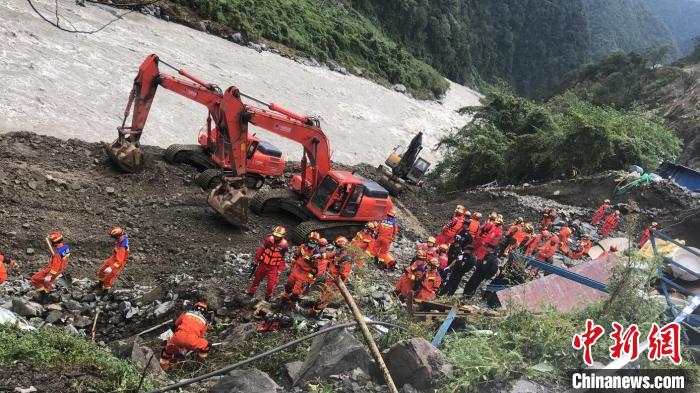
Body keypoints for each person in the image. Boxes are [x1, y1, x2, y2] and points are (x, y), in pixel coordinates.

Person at [160, 301, 212, 370]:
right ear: (205, 312)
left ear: (194, 308)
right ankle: (200, 364)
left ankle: (163, 368)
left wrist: (171, 339)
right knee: (207, 346)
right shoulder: (205, 322)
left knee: (168, 351)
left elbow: (174, 326)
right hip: (192, 341)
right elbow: (201, 337)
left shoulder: (185, 313)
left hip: (178, 338)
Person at [279, 232, 325, 308]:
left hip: (304, 274)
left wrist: (308, 280)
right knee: (288, 287)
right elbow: (295, 256)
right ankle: (282, 301)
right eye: (311, 240)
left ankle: (291, 307)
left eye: (315, 241)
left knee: (296, 293)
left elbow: (314, 271)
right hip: (296, 269)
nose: (312, 242)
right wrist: (291, 267)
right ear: (308, 239)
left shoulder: (316, 254)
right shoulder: (303, 247)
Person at [311, 237, 354, 315]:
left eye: (337, 248)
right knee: (323, 294)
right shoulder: (338, 254)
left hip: (335, 283)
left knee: (324, 299)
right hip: (330, 279)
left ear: (343, 248)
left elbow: (344, 275)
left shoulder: (346, 259)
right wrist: (319, 255)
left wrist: (337, 280)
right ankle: (316, 310)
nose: (336, 249)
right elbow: (328, 255)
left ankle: (314, 314)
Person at [247, 226, 290, 301]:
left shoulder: (284, 245)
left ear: (282, 236)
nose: (276, 237)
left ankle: (267, 297)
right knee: (256, 279)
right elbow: (261, 250)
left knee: (271, 285)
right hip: (263, 264)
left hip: (273, 267)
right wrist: (256, 261)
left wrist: (279, 270)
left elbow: (282, 259)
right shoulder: (268, 240)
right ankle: (250, 293)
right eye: (275, 235)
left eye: (278, 236)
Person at [31, 231, 70, 302]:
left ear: (54, 242)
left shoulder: (57, 254)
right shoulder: (66, 248)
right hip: (60, 270)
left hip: (52, 271)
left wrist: (49, 275)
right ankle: (43, 298)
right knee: (47, 283)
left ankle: (45, 297)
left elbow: (55, 266)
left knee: (35, 279)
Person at [95, 227, 129, 291]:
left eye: (115, 237)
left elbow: (119, 261)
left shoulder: (122, 247)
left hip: (118, 262)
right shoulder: (121, 238)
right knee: (102, 269)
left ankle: (106, 289)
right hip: (114, 257)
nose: (115, 239)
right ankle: (100, 283)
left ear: (119, 236)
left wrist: (111, 267)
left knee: (110, 275)